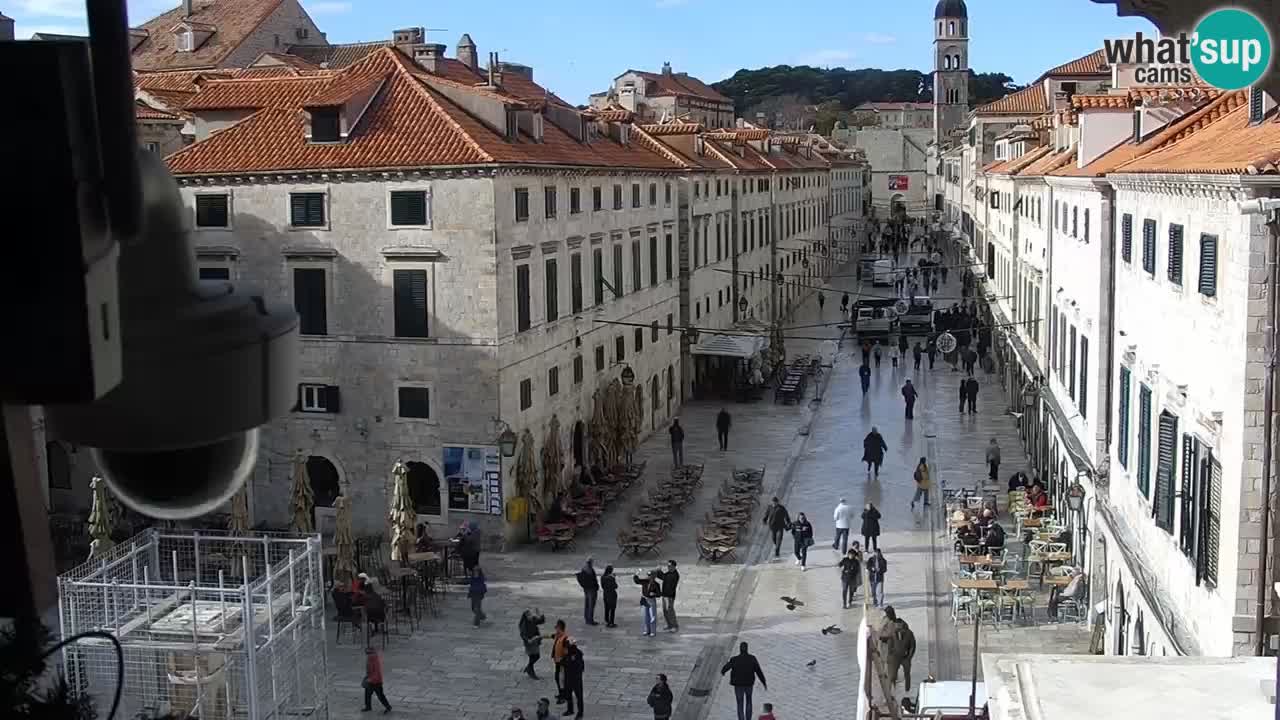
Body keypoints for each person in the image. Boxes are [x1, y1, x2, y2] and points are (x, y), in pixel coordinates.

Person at [720, 642, 768, 720]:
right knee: (749, 701)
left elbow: (726, 667)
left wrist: (723, 672)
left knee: (740, 703)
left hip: (738, 685)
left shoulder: (734, 659)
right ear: (747, 648)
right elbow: (758, 671)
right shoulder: (752, 658)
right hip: (749, 684)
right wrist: (764, 682)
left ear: (740, 649)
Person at [887, 618, 917, 692]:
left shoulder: (909, 633)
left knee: (907, 674)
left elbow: (913, 645)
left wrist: (909, 656)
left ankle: (907, 690)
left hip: (905, 658)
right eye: (897, 625)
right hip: (895, 657)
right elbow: (889, 644)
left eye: (899, 624)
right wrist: (891, 654)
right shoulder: (893, 633)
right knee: (892, 675)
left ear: (902, 624)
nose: (898, 626)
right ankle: (892, 691)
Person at [362, 646, 392, 713]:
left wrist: (370, 679)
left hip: (377, 682)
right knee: (367, 694)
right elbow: (369, 670)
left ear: (372, 653)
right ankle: (368, 707)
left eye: (369, 653)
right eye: (367, 653)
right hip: (370, 680)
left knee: (380, 696)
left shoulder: (375, 660)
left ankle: (388, 707)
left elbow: (376, 672)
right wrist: (367, 677)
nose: (367, 655)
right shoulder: (369, 659)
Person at [519, 609, 547, 679]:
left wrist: (539, 614)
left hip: (535, 640)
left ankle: (529, 669)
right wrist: (527, 640)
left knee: (536, 656)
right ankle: (531, 671)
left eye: (530, 614)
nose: (530, 616)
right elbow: (522, 634)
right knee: (534, 656)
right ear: (525, 617)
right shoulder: (524, 624)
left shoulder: (533, 619)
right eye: (529, 615)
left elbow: (541, 621)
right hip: (529, 642)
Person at [654, 560, 681, 632]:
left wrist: (658, 571)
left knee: (670, 611)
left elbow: (664, 577)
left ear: (674, 566)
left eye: (670, 566)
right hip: (665, 595)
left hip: (669, 596)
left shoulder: (675, 575)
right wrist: (658, 572)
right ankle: (669, 625)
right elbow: (663, 577)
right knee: (665, 611)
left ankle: (674, 626)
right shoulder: (669, 573)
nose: (668, 567)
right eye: (668, 566)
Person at [561, 641, 585, 719]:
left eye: (564, 648)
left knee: (579, 697)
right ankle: (570, 710)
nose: (564, 650)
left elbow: (580, 667)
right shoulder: (567, 655)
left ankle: (580, 713)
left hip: (576, 680)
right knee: (568, 695)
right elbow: (563, 662)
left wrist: (569, 662)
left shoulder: (577, 655)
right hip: (568, 679)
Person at [634, 570, 661, 636]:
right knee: (645, 616)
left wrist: (654, 594)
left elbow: (659, 594)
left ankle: (653, 631)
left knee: (652, 616)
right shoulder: (645, 581)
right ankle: (647, 630)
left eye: (650, 575)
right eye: (648, 575)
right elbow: (637, 581)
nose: (648, 577)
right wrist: (636, 574)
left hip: (651, 600)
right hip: (644, 599)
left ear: (654, 577)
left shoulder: (656, 584)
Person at [551, 620, 570, 703]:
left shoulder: (565, 638)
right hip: (557, 662)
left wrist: (562, 660)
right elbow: (550, 636)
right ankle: (561, 693)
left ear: (560, 628)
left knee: (561, 679)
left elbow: (567, 652)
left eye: (556, 627)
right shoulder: (558, 636)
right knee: (557, 678)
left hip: (562, 663)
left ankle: (563, 696)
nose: (555, 629)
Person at [576, 558, 599, 626]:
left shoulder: (584, 568)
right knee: (591, 605)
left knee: (587, 604)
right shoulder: (590, 570)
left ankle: (587, 618)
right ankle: (590, 620)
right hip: (591, 589)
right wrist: (596, 586)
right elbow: (593, 579)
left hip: (586, 589)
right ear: (591, 562)